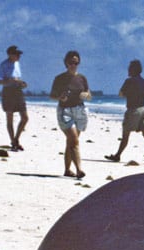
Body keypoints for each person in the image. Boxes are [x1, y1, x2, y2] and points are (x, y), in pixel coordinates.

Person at [50, 50, 92, 178]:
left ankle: (67, 170)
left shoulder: (82, 78)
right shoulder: (59, 78)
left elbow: (89, 94)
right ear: (66, 63)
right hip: (65, 111)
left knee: (71, 142)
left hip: (80, 110)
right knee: (74, 141)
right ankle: (79, 170)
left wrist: (87, 95)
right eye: (71, 62)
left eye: (76, 62)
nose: (73, 65)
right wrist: (60, 97)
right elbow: (52, 95)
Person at [105, 59, 144, 165]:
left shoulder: (129, 81)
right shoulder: (143, 81)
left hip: (133, 110)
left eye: (129, 68)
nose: (128, 70)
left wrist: (128, 93)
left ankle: (117, 155)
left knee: (125, 135)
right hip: (143, 110)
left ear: (133, 70)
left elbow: (120, 94)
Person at [0, 45, 29, 151]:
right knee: (9, 118)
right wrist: (10, 81)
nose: (19, 56)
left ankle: (16, 139)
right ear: (10, 54)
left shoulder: (18, 64)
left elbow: (18, 78)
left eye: (19, 54)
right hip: (8, 92)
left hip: (18, 91)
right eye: (16, 54)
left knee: (25, 117)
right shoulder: (3, 65)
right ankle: (13, 142)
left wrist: (21, 83)